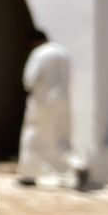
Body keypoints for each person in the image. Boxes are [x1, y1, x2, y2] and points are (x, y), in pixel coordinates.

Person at [17, 31, 81, 188]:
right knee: (61, 138)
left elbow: (29, 80)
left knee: (32, 135)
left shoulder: (39, 53)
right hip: (64, 101)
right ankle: (78, 164)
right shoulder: (64, 52)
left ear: (34, 42)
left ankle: (28, 174)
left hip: (42, 102)